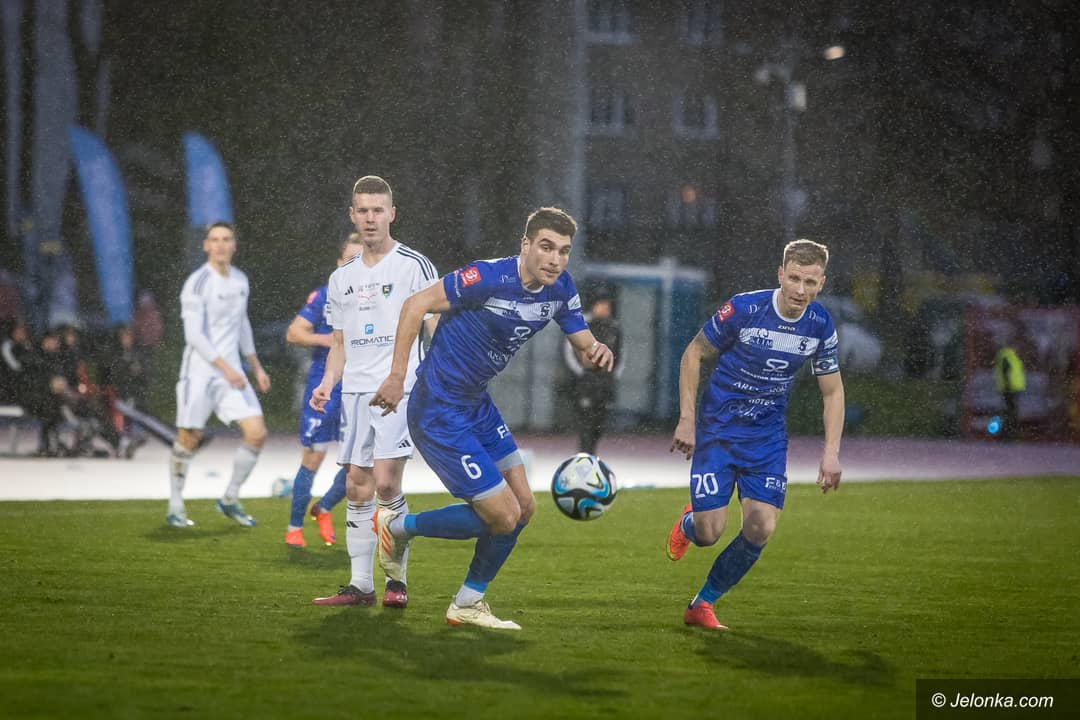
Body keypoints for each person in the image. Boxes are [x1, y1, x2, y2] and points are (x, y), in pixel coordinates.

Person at [369, 207, 615, 630]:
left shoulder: (560, 289)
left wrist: (596, 350)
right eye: (546, 247)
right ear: (525, 245)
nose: (555, 259)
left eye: (563, 251)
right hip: (438, 409)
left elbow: (583, 342)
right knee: (502, 516)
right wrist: (395, 377)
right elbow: (415, 305)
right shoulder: (488, 277)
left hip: (476, 403)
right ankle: (399, 526)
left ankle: (467, 602)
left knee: (524, 508)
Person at [666, 239, 844, 630]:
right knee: (709, 533)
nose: (800, 290)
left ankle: (702, 604)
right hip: (718, 430)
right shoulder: (744, 309)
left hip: (766, 438)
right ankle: (689, 523)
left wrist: (831, 453)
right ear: (780, 274)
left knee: (761, 526)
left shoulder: (820, 325)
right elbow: (694, 353)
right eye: (794, 278)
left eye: (810, 282)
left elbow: (832, 391)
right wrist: (687, 419)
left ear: (822, 283)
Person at [309, 176, 438, 607]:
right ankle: (360, 585)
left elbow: (435, 327)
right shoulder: (340, 277)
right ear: (352, 215)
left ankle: (396, 580)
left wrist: (437, 378)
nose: (370, 218)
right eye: (362, 210)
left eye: (377, 210)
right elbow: (339, 343)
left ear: (391, 214)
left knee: (386, 483)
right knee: (357, 485)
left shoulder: (414, 265)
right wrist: (327, 383)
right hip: (354, 393)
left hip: (399, 388)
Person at [167, 221, 271, 527]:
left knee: (257, 433)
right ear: (206, 246)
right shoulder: (197, 282)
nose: (221, 245)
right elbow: (194, 336)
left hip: (232, 373)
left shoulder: (240, 280)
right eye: (215, 240)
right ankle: (175, 506)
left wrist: (255, 366)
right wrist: (227, 369)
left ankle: (229, 498)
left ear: (234, 245)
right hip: (199, 373)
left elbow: (242, 324)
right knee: (189, 438)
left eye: (226, 239)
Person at [282, 234, 365, 548]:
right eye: (350, 260)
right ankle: (294, 528)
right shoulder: (325, 296)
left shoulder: (375, 297)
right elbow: (294, 332)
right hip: (325, 385)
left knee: (358, 463)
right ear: (339, 263)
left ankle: (325, 507)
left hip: (361, 386)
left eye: (361, 259)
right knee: (313, 456)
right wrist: (326, 340)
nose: (355, 266)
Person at [561, 289, 623, 455]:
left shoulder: (614, 327)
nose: (605, 308)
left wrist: (612, 375)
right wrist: (581, 373)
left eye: (608, 305)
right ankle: (585, 456)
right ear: (594, 305)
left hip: (605, 384)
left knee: (599, 424)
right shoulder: (582, 325)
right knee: (585, 424)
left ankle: (591, 455)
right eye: (602, 304)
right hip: (585, 384)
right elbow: (568, 352)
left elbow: (620, 354)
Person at [993, 334, 1026, 441]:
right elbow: (1006, 372)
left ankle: (1007, 434)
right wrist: (1008, 385)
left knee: (1009, 412)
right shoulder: (1008, 356)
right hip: (1010, 389)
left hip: (1011, 389)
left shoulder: (1008, 356)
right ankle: (1008, 434)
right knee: (1010, 413)